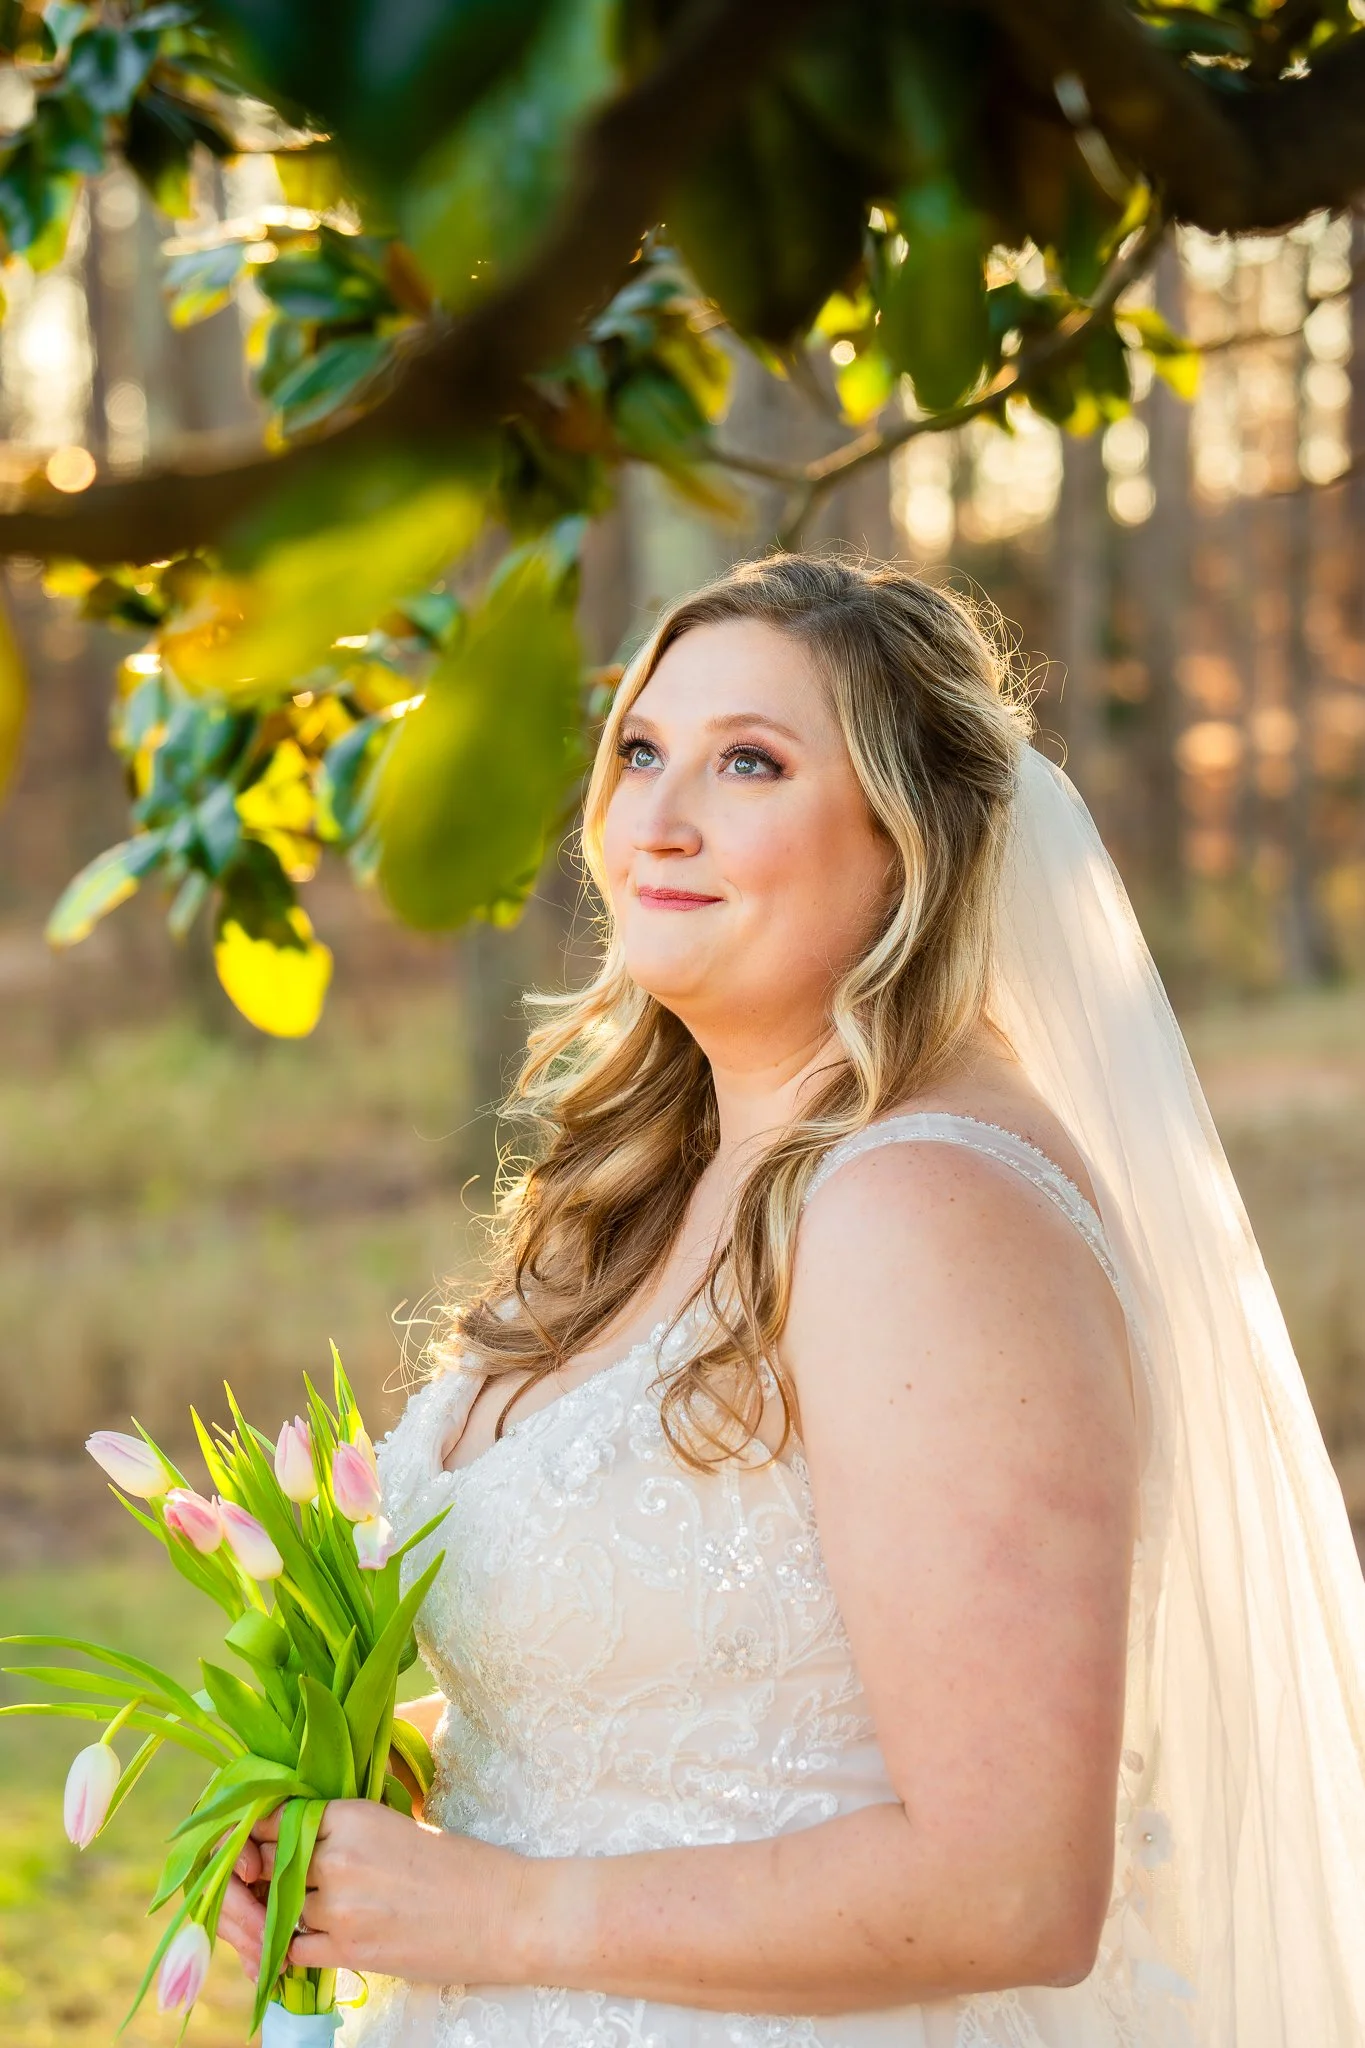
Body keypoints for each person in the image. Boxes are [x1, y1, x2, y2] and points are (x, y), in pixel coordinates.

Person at [221, 554, 1365, 2046]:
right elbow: (720, 1718)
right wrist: (382, 1789)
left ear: (909, 839)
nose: (658, 820)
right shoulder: (666, 1181)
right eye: (641, 752)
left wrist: (495, 1909)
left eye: (747, 762)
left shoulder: (928, 1212)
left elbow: (1009, 1886)